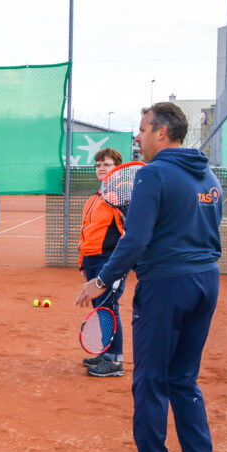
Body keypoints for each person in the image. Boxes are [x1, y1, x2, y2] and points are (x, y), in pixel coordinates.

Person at [75, 102, 223, 452]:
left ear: (161, 132)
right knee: (183, 377)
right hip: (207, 282)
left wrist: (101, 281)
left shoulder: (153, 175)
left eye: (142, 130)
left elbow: (135, 241)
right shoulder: (208, 175)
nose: (137, 138)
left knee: (151, 379)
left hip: (166, 287)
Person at [78, 148, 127, 377]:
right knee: (100, 309)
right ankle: (105, 351)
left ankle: (115, 361)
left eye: (106, 164)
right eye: (98, 165)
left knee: (109, 307)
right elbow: (85, 233)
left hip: (110, 261)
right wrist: (82, 263)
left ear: (117, 168)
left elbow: (129, 233)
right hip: (92, 260)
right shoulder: (94, 199)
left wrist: (119, 265)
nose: (101, 168)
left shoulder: (120, 198)